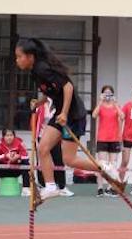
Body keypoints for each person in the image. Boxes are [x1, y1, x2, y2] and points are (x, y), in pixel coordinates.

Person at [15, 38, 114, 200]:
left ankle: (104, 166)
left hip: (73, 116)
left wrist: (65, 113)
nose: (17, 60)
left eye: (19, 56)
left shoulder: (42, 68)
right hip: (60, 113)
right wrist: (40, 102)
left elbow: (67, 87)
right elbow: (51, 91)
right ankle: (51, 187)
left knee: (69, 159)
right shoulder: (35, 72)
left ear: (30, 56)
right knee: (43, 148)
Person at [34, 97, 73, 197]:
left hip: (55, 137)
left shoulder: (59, 106)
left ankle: (62, 187)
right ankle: (44, 186)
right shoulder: (40, 107)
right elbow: (35, 123)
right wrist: (35, 138)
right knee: (41, 161)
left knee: (58, 160)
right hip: (42, 136)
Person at [92, 85, 124, 197]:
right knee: (102, 165)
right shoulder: (100, 106)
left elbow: (122, 116)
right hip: (102, 138)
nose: (108, 95)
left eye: (110, 93)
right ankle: (100, 188)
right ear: (102, 94)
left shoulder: (116, 106)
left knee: (113, 165)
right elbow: (94, 115)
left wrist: (115, 104)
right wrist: (100, 102)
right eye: (105, 93)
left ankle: (110, 188)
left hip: (114, 139)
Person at [0, 128, 30, 197]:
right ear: (3, 137)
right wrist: (5, 156)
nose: (9, 137)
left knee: (26, 163)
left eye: (11, 135)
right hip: (2, 170)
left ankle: (26, 189)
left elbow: (27, 156)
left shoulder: (20, 143)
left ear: (14, 136)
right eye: (7, 135)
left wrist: (18, 156)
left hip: (15, 170)